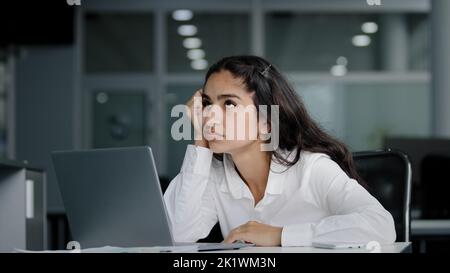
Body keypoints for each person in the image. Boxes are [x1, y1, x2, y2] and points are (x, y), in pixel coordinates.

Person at [164, 55, 396, 246]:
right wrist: (200, 142)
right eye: (207, 103)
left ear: (266, 122)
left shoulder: (311, 168)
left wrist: (279, 235)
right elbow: (176, 234)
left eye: (229, 104)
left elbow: (381, 226)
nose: (209, 116)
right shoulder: (215, 173)